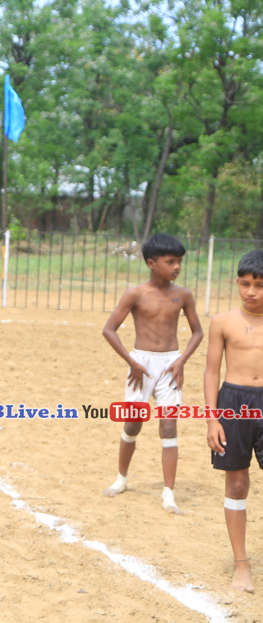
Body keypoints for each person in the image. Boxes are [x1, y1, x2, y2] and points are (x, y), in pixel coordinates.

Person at [102, 233, 203, 513]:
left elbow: (198, 332)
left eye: (179, 261)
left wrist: (181, 361)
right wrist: (132, 362)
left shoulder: (183, 295)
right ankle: (121, 478)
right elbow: (109, 330)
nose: (177, 266)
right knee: (133, 423)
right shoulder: (135, 294)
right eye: (170, 261)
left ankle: (168, 493)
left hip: (171, 364)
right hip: (141, 365)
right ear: (151, 263)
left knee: (168, 426)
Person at [204, 249, 263, 592]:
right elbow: (212, 372)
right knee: (237, 484)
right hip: (233, 405)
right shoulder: (222, 322)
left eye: (259, 285)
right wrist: (212, 419)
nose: (251, 292)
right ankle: (241, 564)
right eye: (245, 284)